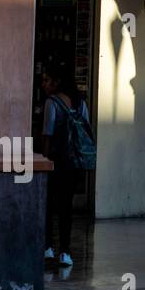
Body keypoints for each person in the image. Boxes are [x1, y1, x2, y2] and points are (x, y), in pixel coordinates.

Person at [40, 64, 92, 268]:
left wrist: (44, 161)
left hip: (56, 162)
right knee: (66, 208)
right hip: (74, 163)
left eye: (47, 80)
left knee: (49, 205)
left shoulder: (51, 103)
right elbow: (87, 130)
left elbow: (47, 134)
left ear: (56, 82)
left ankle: (47, 247)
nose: (43, 84)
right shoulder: (81, 104)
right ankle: (66, 251)